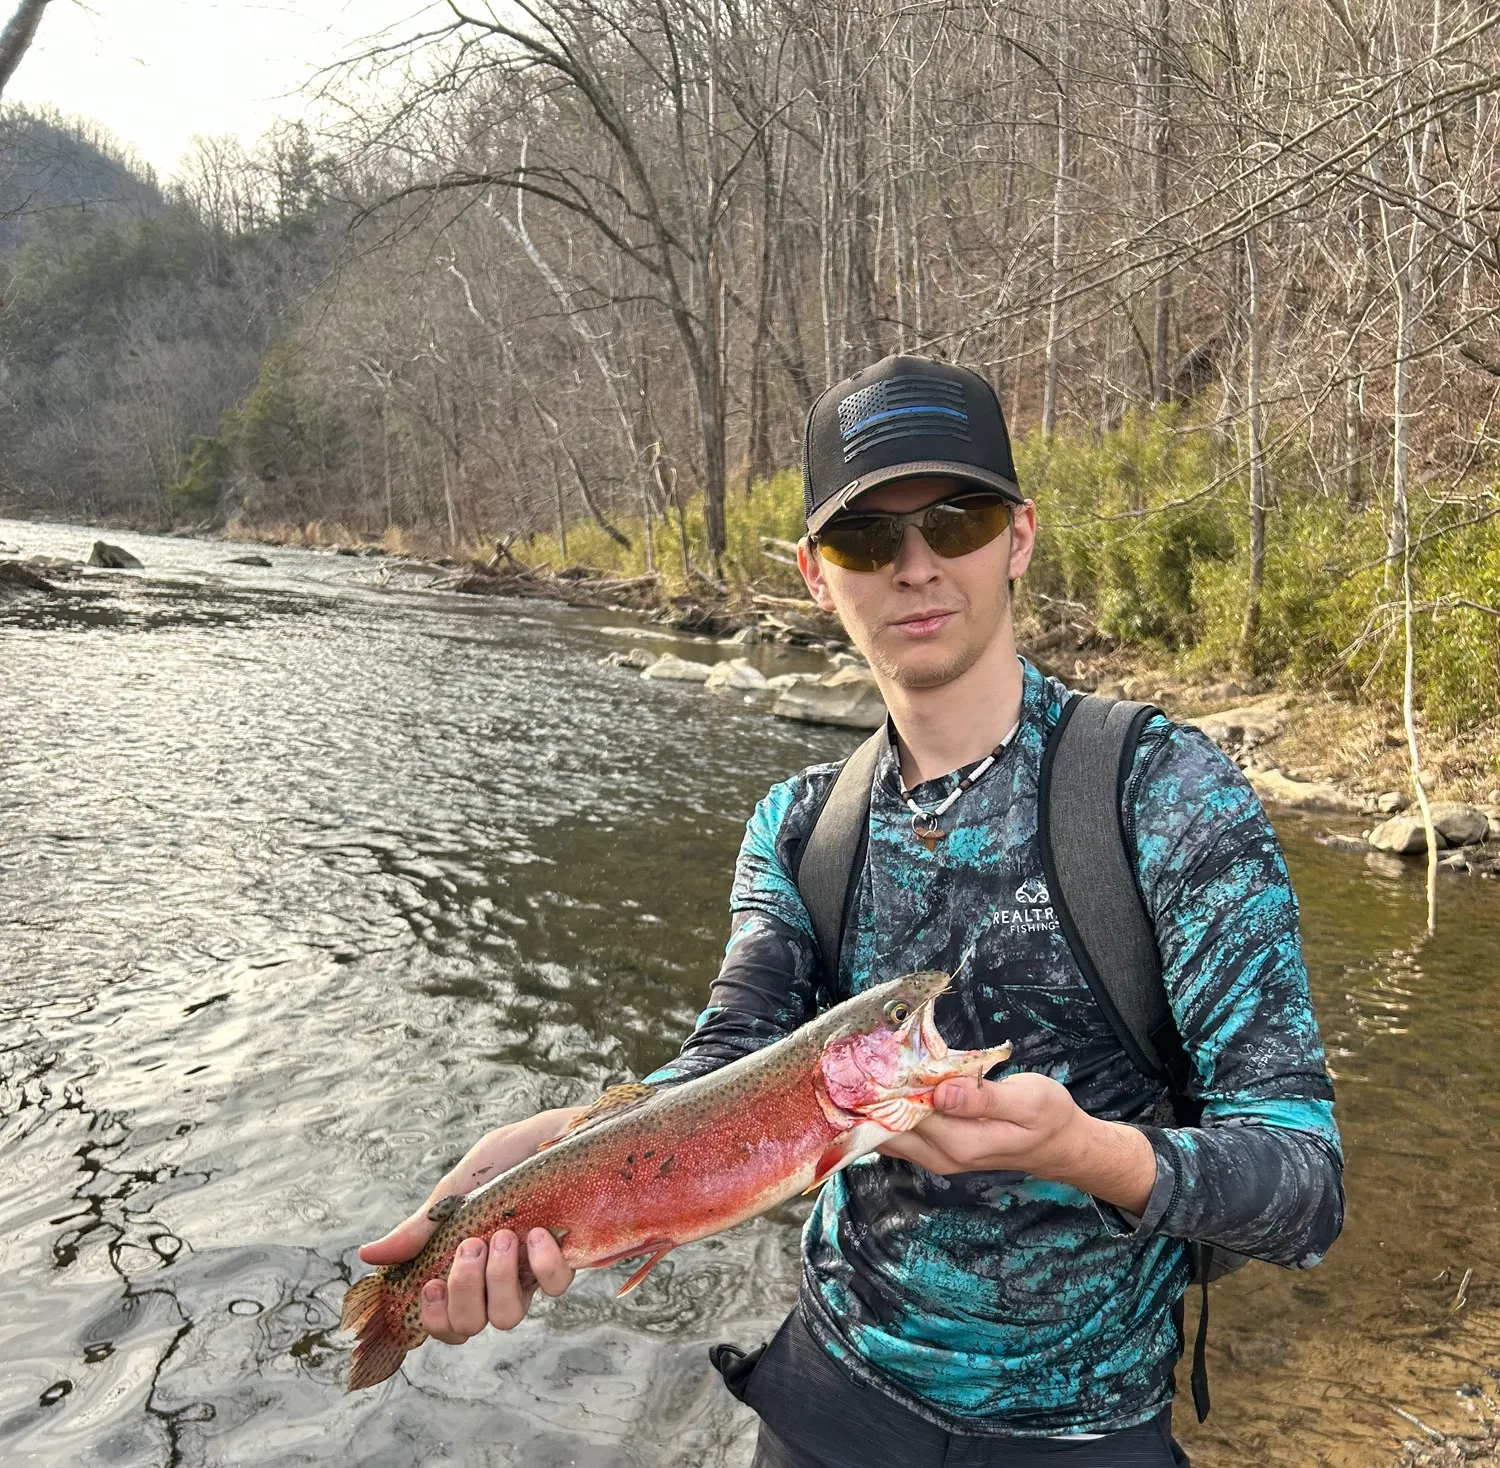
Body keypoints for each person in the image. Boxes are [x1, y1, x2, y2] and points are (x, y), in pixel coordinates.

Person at [358, 355, 1344, 1466]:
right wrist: (571, 1153)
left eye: (956, 520)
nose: (916, 566)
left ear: (1018, 537)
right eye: (868, 541)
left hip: (1090, 1430)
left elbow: (1304, 1187)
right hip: (828, 1403)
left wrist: (1091, 1154)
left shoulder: (1166, 793)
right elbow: (729, 1063)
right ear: (817, 575)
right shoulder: (797, 826)